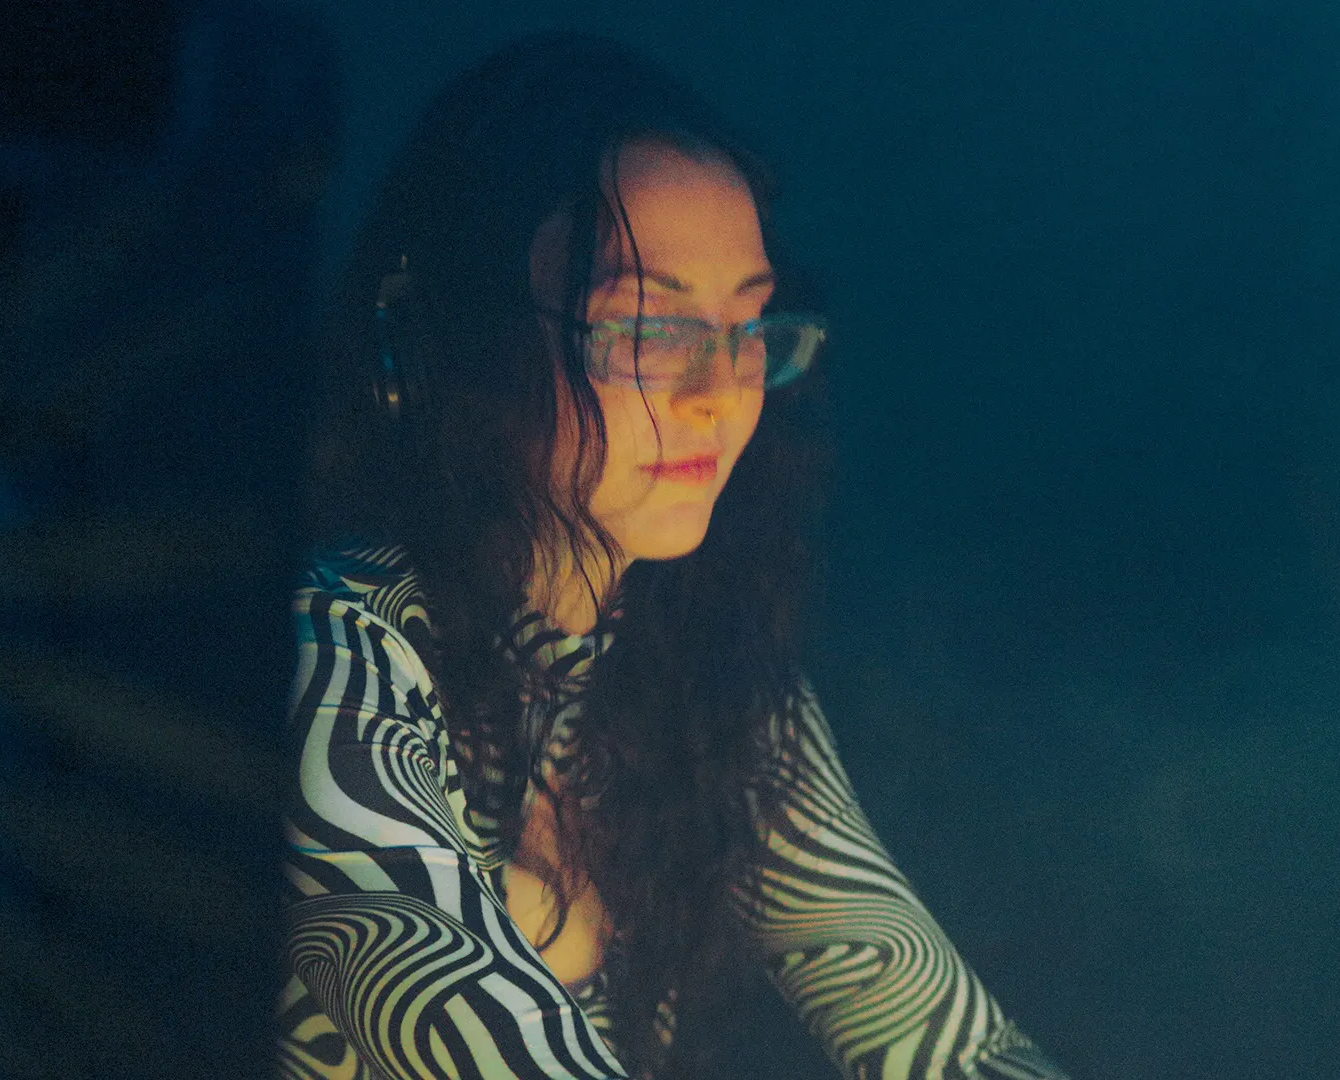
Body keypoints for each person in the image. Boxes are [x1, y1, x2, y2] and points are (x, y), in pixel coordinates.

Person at [277, 32, 1068, 1080]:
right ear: (447, 339)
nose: (719, 393)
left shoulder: (706, 675)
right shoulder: (334, 657)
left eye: (748, 326)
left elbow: (945, 1040)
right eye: (648, 330)